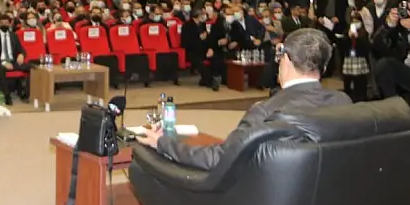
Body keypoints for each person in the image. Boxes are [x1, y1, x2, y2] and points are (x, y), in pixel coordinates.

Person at [137, 28, 352, 170]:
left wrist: (163, 143)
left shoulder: (265, 111)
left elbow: (219, 159)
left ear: (285, 60)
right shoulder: (343, 103)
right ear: (323, 67)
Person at [0, 14, 30, 104]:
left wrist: (21, 54)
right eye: (2, 23)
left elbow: (21, 49)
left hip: (13, 62)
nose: (4, 25)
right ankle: (7, 95)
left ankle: (25, 93)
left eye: (6, 23)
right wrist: (3, 62)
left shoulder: (13, 35)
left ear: (10, 24)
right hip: (0, 63)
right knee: (0, 68)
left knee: (32, 67)